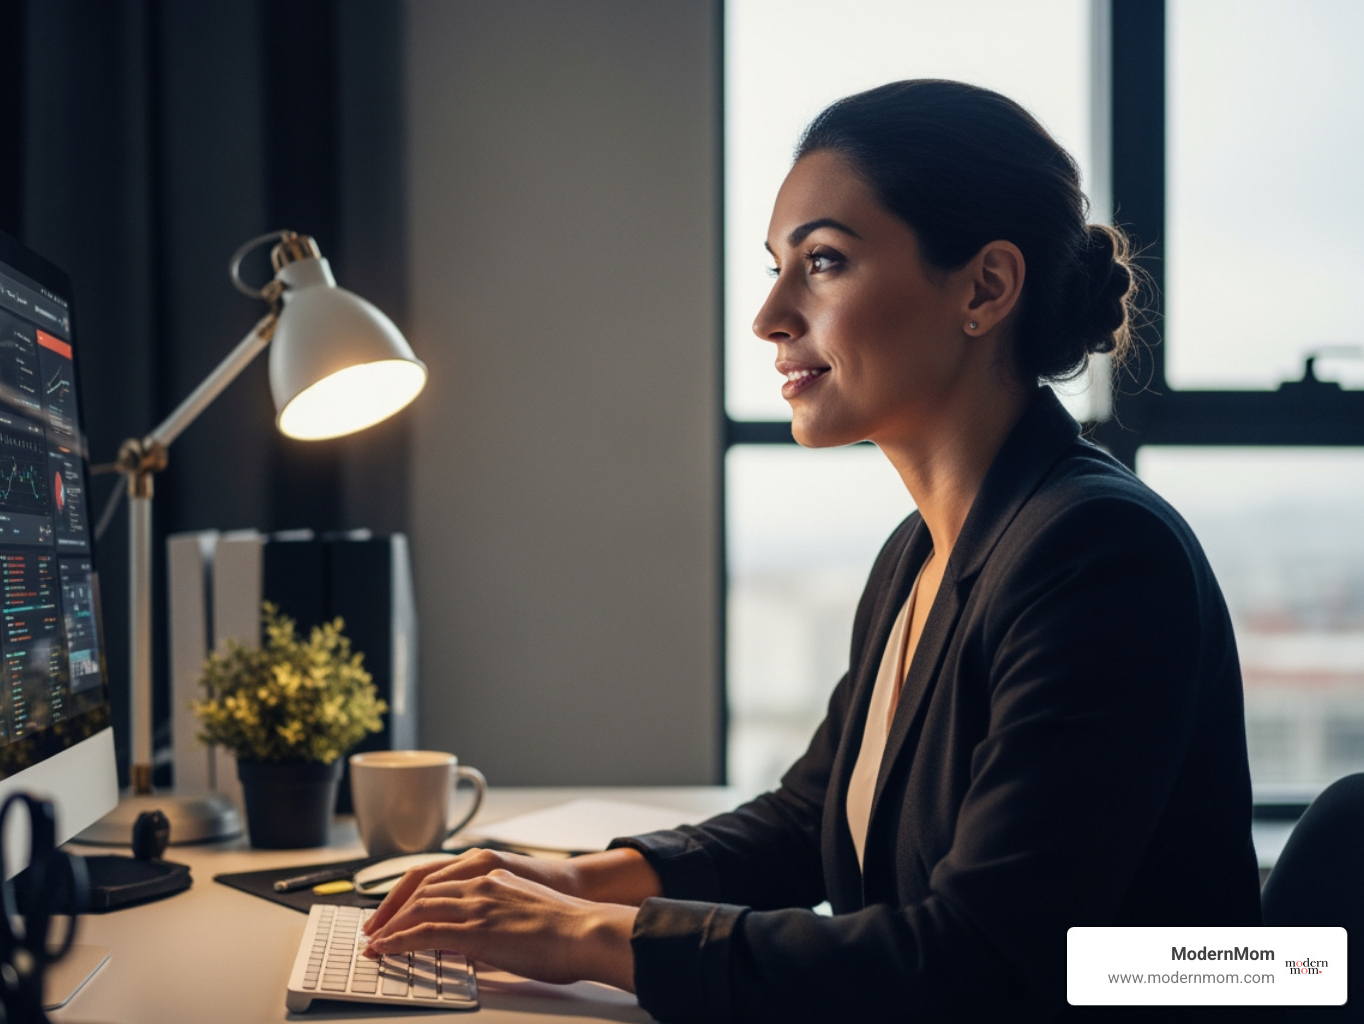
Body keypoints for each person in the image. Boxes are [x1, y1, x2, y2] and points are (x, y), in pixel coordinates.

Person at [361, 80, 1268, 1022]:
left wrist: (582, 937)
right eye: (776, 267)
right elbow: (813, 818)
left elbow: (978, 963)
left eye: (824, 261)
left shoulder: (1099, 556)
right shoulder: (922, 551)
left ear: (986, 288)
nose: (769, 316)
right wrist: (569, 880)